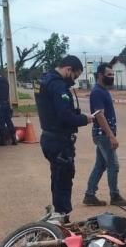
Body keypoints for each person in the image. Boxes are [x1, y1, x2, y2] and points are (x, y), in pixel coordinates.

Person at [35, 55, 92, 222]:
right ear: (68, 69)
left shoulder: (45, 80)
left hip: (49, 137)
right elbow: (64, 116)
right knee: (63, 178)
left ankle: (59, 213)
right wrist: (85, 119)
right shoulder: (57, 85)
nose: (74, 81)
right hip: (59, 140)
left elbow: (54, 110)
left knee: (58, 176)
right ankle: (61, 217)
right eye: (74, 76)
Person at [83, 64, 126, 207]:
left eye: (112, 75)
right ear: (100, 75)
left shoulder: (103, 91)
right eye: (109, 75)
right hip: (103, 135)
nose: (112, 77)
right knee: (113, 165)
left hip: (101, 134)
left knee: (100, 165)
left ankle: (90, 195)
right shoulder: (97, 92)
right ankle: (114, 196)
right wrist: (111, 135)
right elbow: (99, 115)